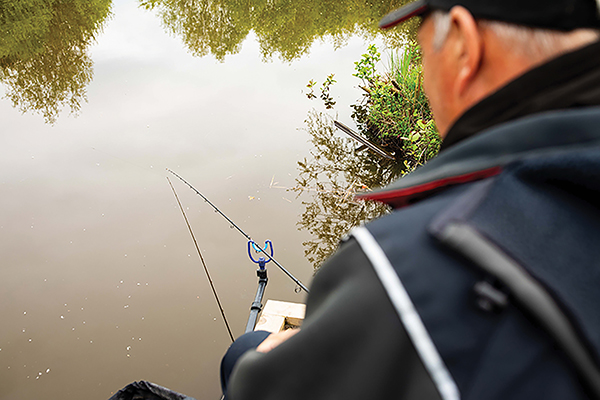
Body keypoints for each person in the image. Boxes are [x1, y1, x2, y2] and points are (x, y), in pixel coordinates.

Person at [222, 0, 600, 399]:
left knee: (243, 354)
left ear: (463, 45)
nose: (420, 82)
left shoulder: (407, 264)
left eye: (422, 54)